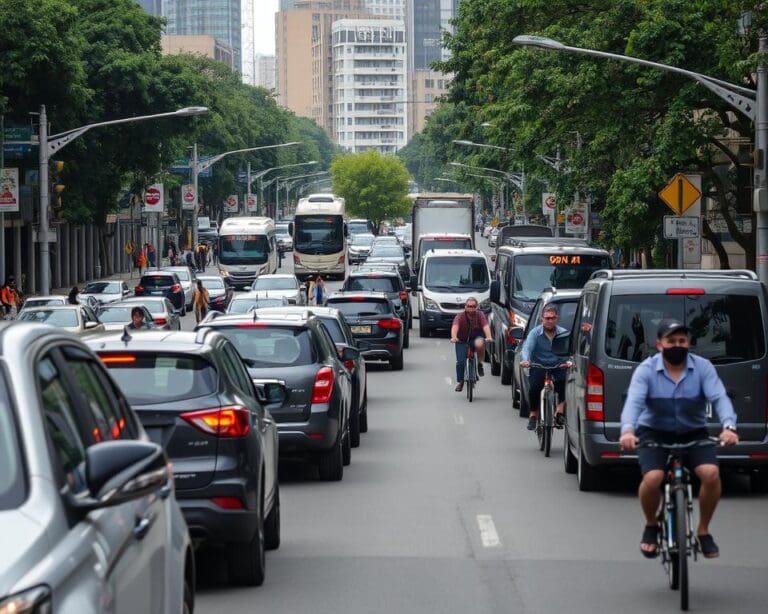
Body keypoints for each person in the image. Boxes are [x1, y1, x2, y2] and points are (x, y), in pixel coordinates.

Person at [619, 319, 739, 560]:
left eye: (682, 341)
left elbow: (719, 397)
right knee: (653, 478)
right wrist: (628, 431)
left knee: (711, 474)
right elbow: (634, 402)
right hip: (654, 432)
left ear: (689, 343)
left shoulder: (703, 368)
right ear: (659, 345)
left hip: (693, 432)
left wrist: (729, 427)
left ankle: (703, 530)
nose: (677, 345)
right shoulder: (646, 370)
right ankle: (651, 525)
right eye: (671, 341)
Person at [519, 304, 569, 431]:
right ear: (542, 319)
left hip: (558, 365)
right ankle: (533, 415)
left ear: (557, 319)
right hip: (538, 365)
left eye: (552, 318)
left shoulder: (563, 333)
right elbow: (527, 348)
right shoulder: (535, 333)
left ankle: (559, 411)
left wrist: (569, 361)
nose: (549, 321)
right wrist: (525, 360)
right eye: (547, 318)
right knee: (534, 388)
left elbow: (569, 350)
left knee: (564, 386)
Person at [449, 297, 493, 392]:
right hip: (461, 340)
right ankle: (461, 381)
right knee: (460, 362)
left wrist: (489, 336)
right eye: (469, 306)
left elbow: (485, 326)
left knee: (480, 343)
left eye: (473, 306)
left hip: (475, 338)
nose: (471, 308)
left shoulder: (480, 315)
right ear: (465, 307)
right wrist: (454, 337)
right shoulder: (460, 316)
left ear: (476, 307)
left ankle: (480, 363)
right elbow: (455, 326)